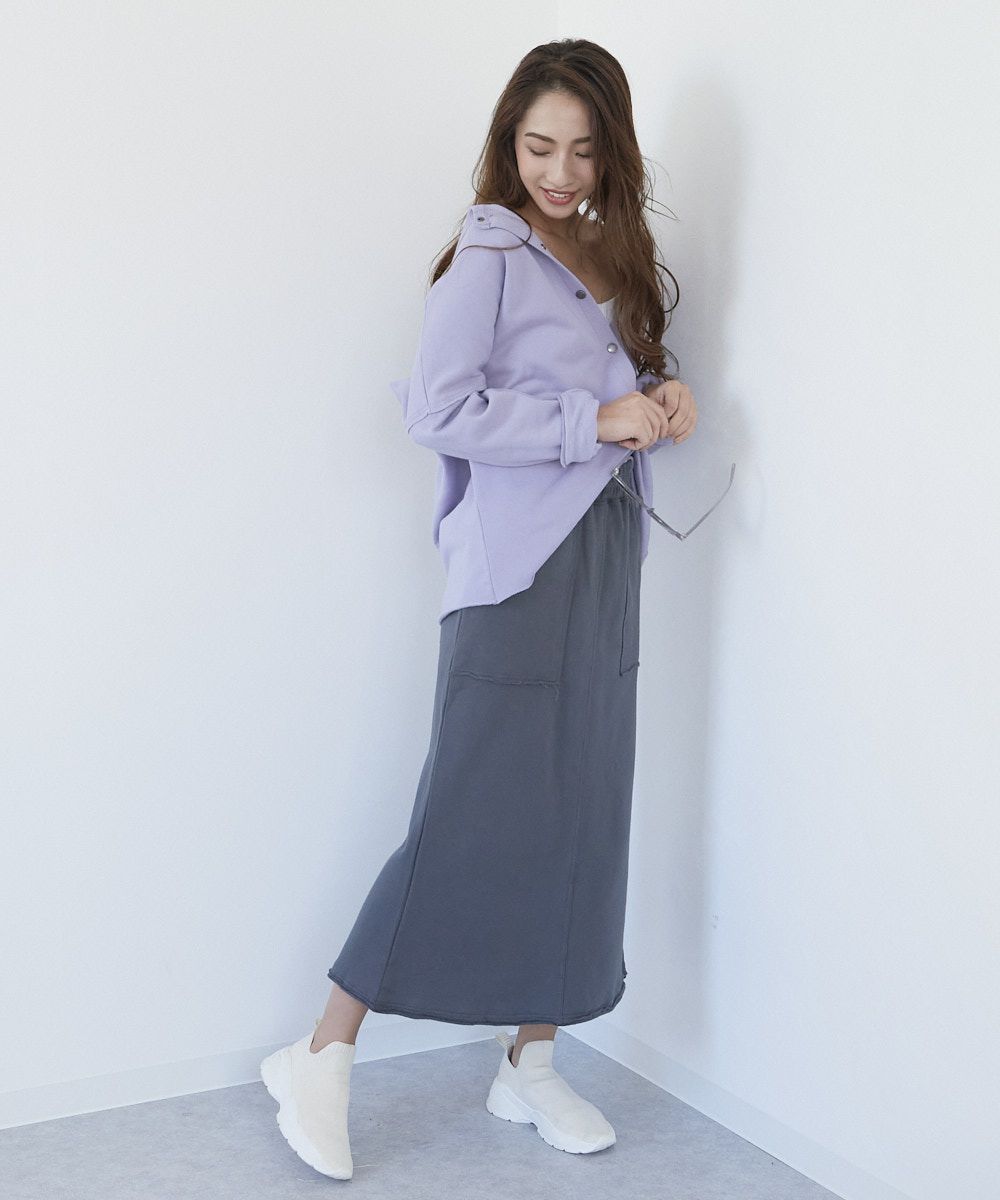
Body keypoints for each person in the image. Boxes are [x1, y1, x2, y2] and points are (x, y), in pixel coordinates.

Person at [261, 37, 697, 1180]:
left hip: (604, 553)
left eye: (582, 151)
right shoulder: (487, 256)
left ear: (612, 155)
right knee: (469, 808)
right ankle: (321, 1050)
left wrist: (660, 398)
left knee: (583, 806)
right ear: (509, 143)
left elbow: (612, 394)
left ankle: (529, 1061)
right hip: (512, 567)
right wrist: (589, 424)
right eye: (539, 146)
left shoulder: (613, 255)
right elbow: (440, 411)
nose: (558, 172)